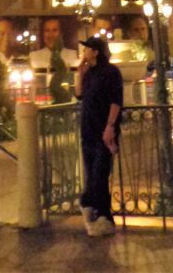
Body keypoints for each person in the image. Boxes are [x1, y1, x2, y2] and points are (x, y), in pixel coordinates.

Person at [74, 35, 123, 237]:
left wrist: (110, 126)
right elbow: (79, 95)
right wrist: (79, 74)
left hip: (104, 132)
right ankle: (99, 213)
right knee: (91, 173)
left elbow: (115, 101)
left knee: (99, 175)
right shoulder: (89, 73)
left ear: (96, 52)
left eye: (87, 49)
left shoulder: (111, 72)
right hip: (88, 131)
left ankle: (102, 214)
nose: (83, 52)